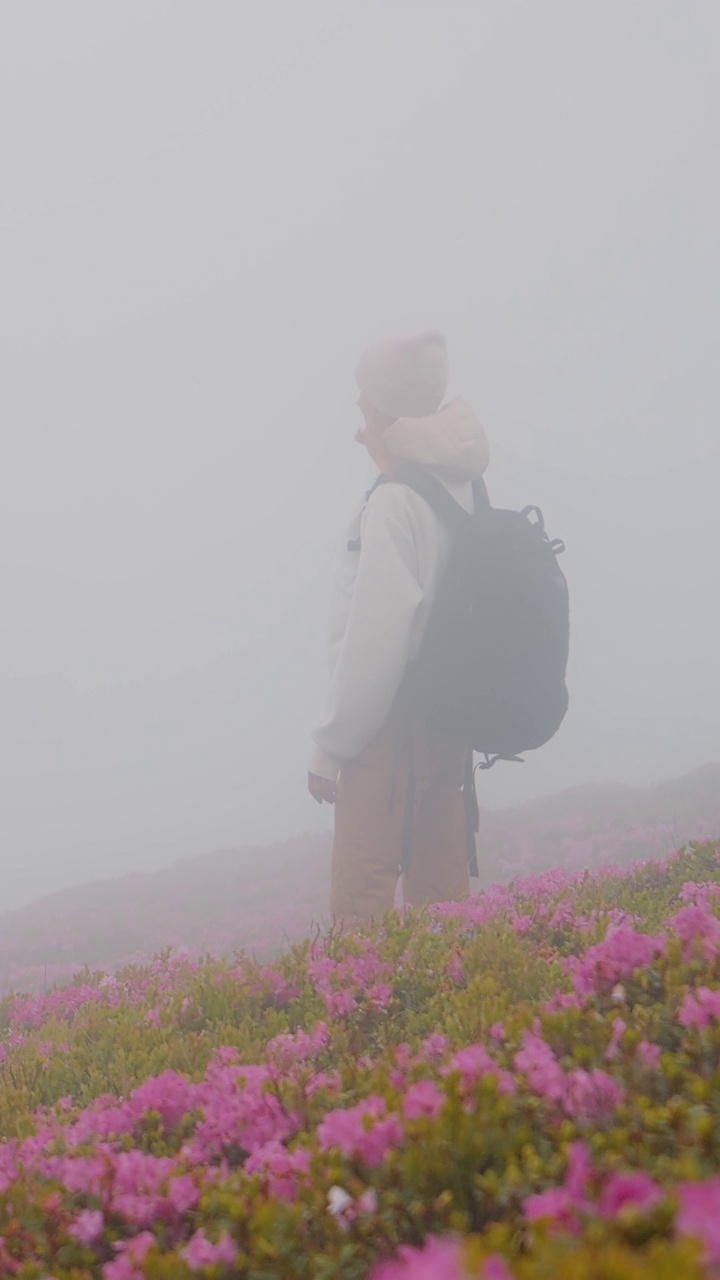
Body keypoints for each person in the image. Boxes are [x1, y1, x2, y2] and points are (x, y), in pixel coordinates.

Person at [308, 330, 490, 926]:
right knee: (445, 917)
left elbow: (375, 641)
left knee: (361, 920)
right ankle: (453, 1016)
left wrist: (331, 746)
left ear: (386, 405)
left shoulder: (394, 503)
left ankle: (365, 1020)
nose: (358, 405)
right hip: (447, 724)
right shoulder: (462, 483)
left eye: (366, 395)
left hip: (389, 734)